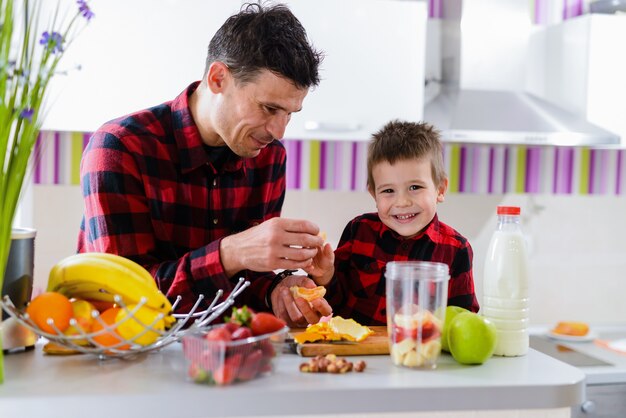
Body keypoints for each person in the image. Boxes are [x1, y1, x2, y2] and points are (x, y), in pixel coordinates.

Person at [77, 3, 332, 326]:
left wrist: (277, 290)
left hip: (225, 352)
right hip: (125, 355)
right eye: (269, 108)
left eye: (289, 114)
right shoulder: (120, 147)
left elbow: (246, 279)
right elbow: (123, 295)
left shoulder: (269, 157)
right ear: (218, 78)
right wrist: (231, 253)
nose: (278, 131)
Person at [305, 120, 480, 325]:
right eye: (388, 191)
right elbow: (333, 304)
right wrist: (326, 276)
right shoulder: (359, 230)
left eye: (415, 187)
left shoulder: (457, 249)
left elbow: (464, 323)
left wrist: (429, 321)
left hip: (418, 354)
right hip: (356, 352)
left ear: (440, 189)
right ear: (374, 194)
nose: (402, 202)